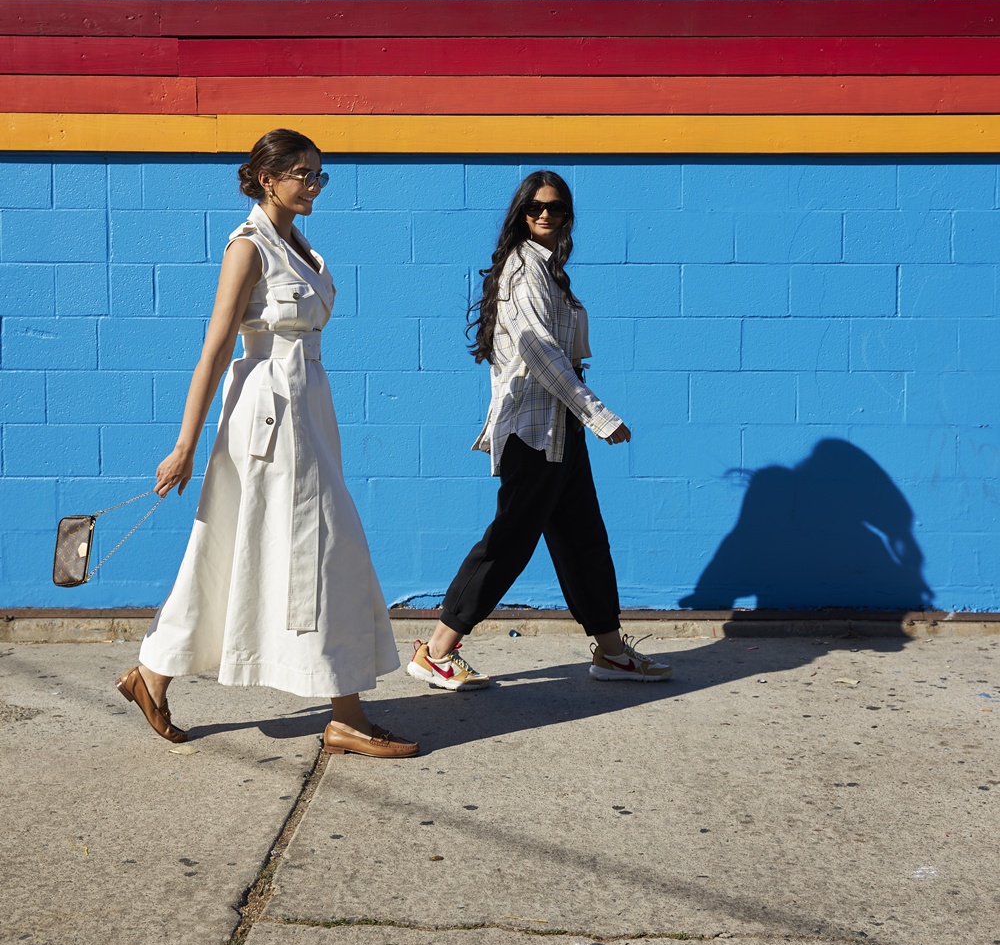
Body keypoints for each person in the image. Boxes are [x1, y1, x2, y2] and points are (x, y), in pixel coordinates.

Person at [116, 129, 417, 759]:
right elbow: (216, 348)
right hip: (267, 423)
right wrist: (184, 445)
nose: (313, 186)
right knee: (320, 549)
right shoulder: (247, 248)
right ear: (266, 177)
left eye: (319, 176)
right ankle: (346, 714)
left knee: (234, 549)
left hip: (307, 414)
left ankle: (153, 674)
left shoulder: (300, 246)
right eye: (303, 174)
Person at [408, 170, 672, 691]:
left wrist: (579, 417)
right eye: (535, 207)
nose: (545, 214)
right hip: (533, 432)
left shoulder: (550, 272)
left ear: (568, 215)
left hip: (558, 429)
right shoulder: (523, 269)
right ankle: (436, 651)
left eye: (555, 207)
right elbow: (538, 350)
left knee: (583, 540)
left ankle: (612, 651)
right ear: (521, 213)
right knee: (510, 540)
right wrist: (597, 413)